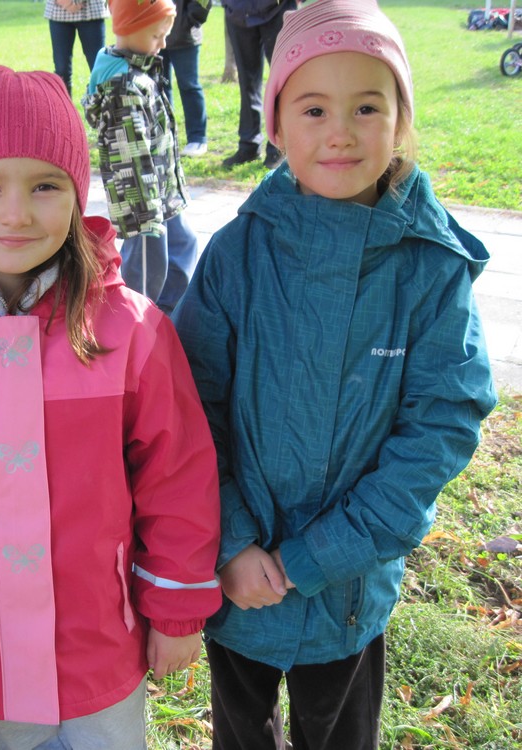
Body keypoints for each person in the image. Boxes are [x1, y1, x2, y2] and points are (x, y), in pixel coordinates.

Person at [173, 2, 498, 748]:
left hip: (349, 591)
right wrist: (232, 542)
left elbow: (441, 425)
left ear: (401, 121)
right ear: (277, 125)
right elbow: (189, 407)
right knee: (241, 732)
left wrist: (317, 558)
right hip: (239, 584)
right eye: (314, 109)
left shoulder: (429, 268)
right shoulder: (238, 254)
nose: (341, 132)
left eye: (367, 108)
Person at [0, 65, 222, 749]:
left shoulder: (131, 330)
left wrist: (175, 605)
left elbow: (177, 475)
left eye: (45, 186)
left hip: (102, 642)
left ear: (78, 197)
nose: (16, 213)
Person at [84, 0, 199, 314]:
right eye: (156, 36)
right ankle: (136, 321)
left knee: (184, 244)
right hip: (143, 201)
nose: (163, 44)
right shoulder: (123, 87)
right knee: (147, 268)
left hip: (161, 190)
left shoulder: (140, 70)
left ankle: (168, 314)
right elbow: (129, 156)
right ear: (130, 29)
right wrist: (145, 214)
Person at [220, 0, 296, 169]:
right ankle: (249, 145)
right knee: (247, 83)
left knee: (283, 82)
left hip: (277, 10)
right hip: (238, 12)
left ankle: (278, 147)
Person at [160, 0, 211, 158]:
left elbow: (202, 4)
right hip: (155, 34)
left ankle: (197, 138)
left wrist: (190, 19)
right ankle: (165, 136)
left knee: (189, 86)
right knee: (159, 88)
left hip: (185, 34)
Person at [44, 0, 109, 97]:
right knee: (62, 70)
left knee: (98, 68)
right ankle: (64, 106)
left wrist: (76, 2)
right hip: (58, 12)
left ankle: (104, 105)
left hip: (92, 11)